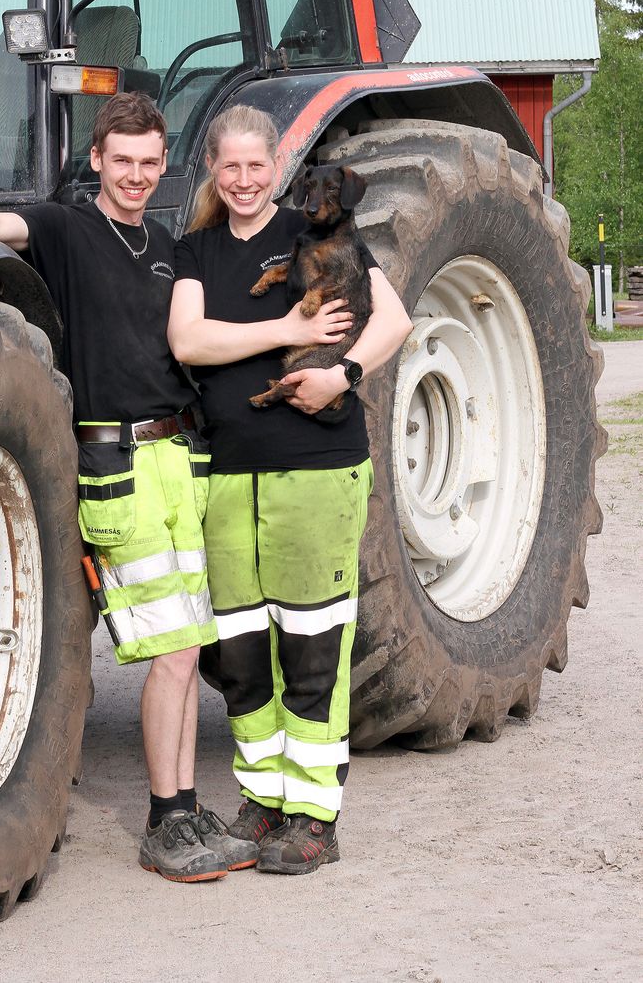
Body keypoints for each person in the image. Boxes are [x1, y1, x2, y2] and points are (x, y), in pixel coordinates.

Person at [0, 93, 329, 882]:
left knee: (187, 640)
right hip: (120, 463)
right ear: (97, 160)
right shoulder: (70, 229)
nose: (136, 176)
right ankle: (166, 816)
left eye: (149, 163)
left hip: (183, 456)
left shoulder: (172, 245)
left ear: (164, 163)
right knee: (171, 651)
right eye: (122, 162)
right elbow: (2, 224)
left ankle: (180, 804)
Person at [169, 103, 413, 875]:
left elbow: (395, 317)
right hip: (228, 470)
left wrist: (342, 369)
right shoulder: (196, 249)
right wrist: (287, 333)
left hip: (315, 462)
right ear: (213, 168)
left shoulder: (315, 234)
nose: (243, 180)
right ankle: (262, 797)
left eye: (257, 166)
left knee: (311, 644)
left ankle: (312, 813)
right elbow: (189, 340)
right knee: (240, 650)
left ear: (278, 167)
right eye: (229, 166)